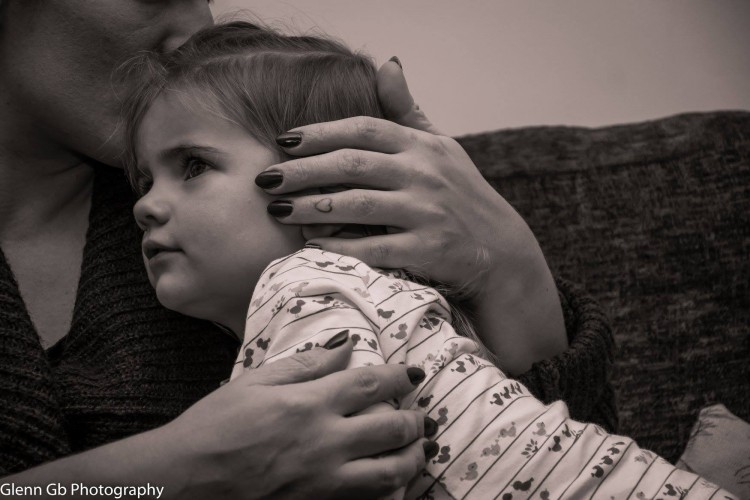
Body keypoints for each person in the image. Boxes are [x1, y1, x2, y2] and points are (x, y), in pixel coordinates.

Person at [0, 1, 614, 497]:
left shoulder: (298, 257)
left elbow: (552, 462)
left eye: (190, 166)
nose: (197, 28)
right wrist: (164, 474)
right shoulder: (201, 245)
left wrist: (511, 272)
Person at [123, 22, 736, 499]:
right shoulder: (413, 301)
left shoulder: (305, 287)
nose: (146, 206)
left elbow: (360, 475)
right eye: (145, 181)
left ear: (325, 183)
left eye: (193, 166)